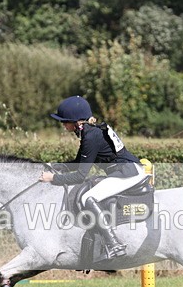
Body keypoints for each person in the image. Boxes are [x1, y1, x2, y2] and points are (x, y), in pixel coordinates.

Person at [39, 95, 146, 259]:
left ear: (77, 122)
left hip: (128, 172)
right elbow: (78, 163)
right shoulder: (89, 132)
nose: (63, 125)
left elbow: (80, 176)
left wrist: (53, 178)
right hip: (125, 170)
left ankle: (114, 245)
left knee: (88, 198)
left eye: (65, 121)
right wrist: (55, 166)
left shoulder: (90, 136)